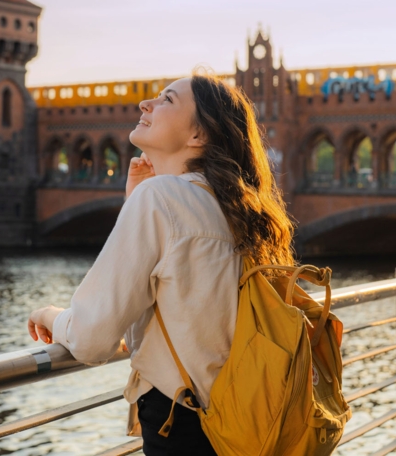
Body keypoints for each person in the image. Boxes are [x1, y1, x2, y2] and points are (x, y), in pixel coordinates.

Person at [28, 73, 295, 456]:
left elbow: (91, 338)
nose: (146, 105)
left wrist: (51, 315)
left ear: (198, 136)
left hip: (186, 426)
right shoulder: (240, 207)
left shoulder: (160, 199)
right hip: (252, 419)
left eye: (167, 100)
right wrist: (135, 202)